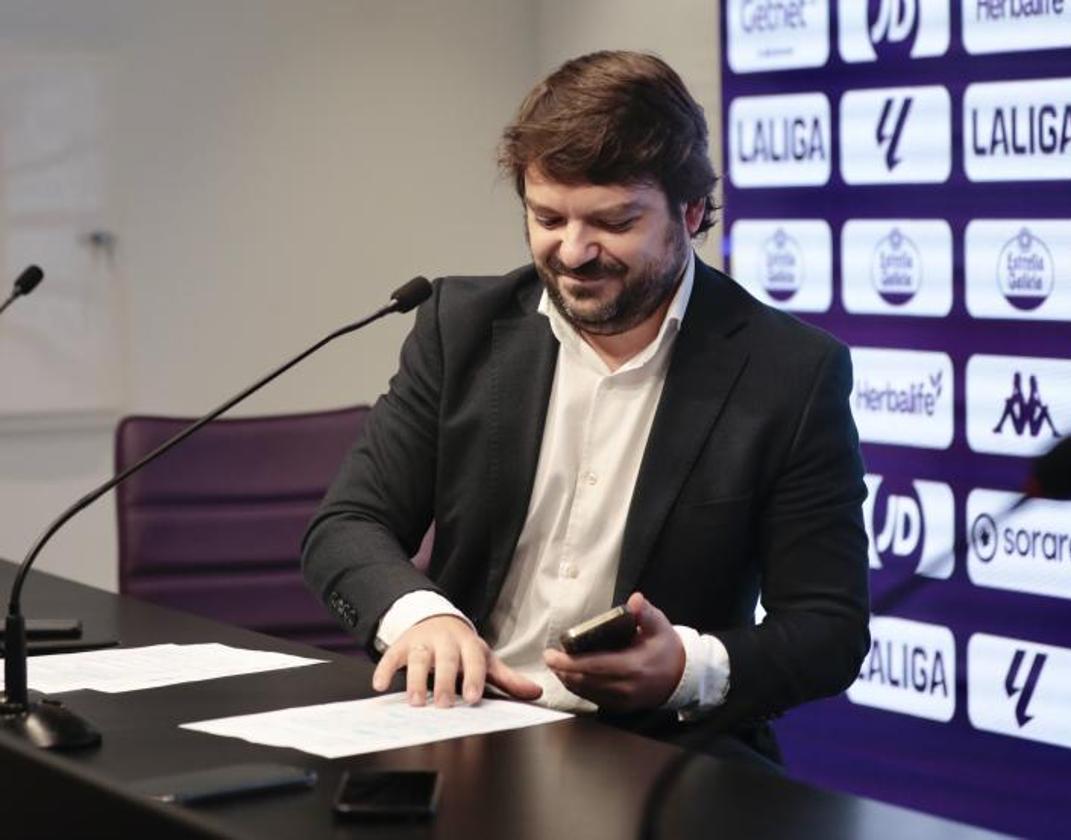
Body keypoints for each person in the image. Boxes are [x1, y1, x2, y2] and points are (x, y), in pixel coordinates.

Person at [302, 50, 869, 764]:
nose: (572, 252)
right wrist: (423, 618)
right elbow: (347, 524)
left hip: (661, 752)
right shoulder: (460, 328)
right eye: (547, 217)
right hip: (457, 728)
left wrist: (686, 669)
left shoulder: (789, 372)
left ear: (690, 213)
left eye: (612, 222)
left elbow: (829, 629)